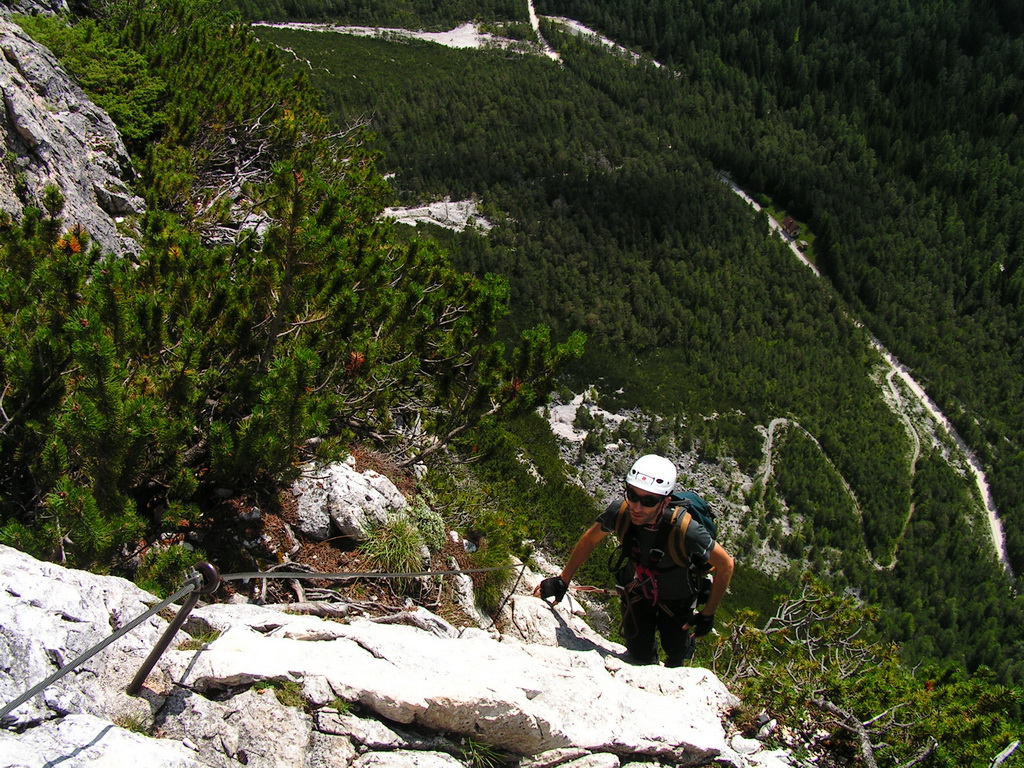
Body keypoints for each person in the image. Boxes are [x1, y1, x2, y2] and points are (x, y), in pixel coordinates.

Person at [534, 454, 734, 666]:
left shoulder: (686, 530)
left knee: (676, 652)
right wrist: (562, 581)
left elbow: (726, 565)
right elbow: (590, 540)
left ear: (665, 502)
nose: (637, 507)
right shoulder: (620, 512)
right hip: (638, 594)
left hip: (678, 601)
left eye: (648, 501)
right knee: (639, 655)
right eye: (633, 495)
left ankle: (683, 650)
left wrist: (707, 614)